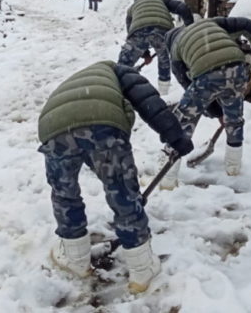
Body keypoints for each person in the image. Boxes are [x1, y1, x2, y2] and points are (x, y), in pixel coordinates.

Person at [37, 60, 193, 294]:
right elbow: (149, 102)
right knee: (123, 194)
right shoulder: (118, 71)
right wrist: (176, 137)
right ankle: (141, 269)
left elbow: (78, 124)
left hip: (53, 127)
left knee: (64, 193)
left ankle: (76, 259)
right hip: (104, 125)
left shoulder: (76, 83)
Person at [159, 17, 251, 189]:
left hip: (206, 74)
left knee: (184, 120)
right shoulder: (211, 23)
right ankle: (233, 167)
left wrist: (216, 113)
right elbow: (248, 25)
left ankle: (166, 178)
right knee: (234, 118)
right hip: (236, 66)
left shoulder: (175, 51)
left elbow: (190, 88)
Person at [118, 0, 194, 95]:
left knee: (123, 63)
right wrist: (190, 28)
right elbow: (183, 8)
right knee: (164, 60)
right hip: (162, 29)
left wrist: (144, 54)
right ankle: (164, 92)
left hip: (138, 32)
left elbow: (130, 31)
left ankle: (117, 86)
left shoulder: (131, 8)